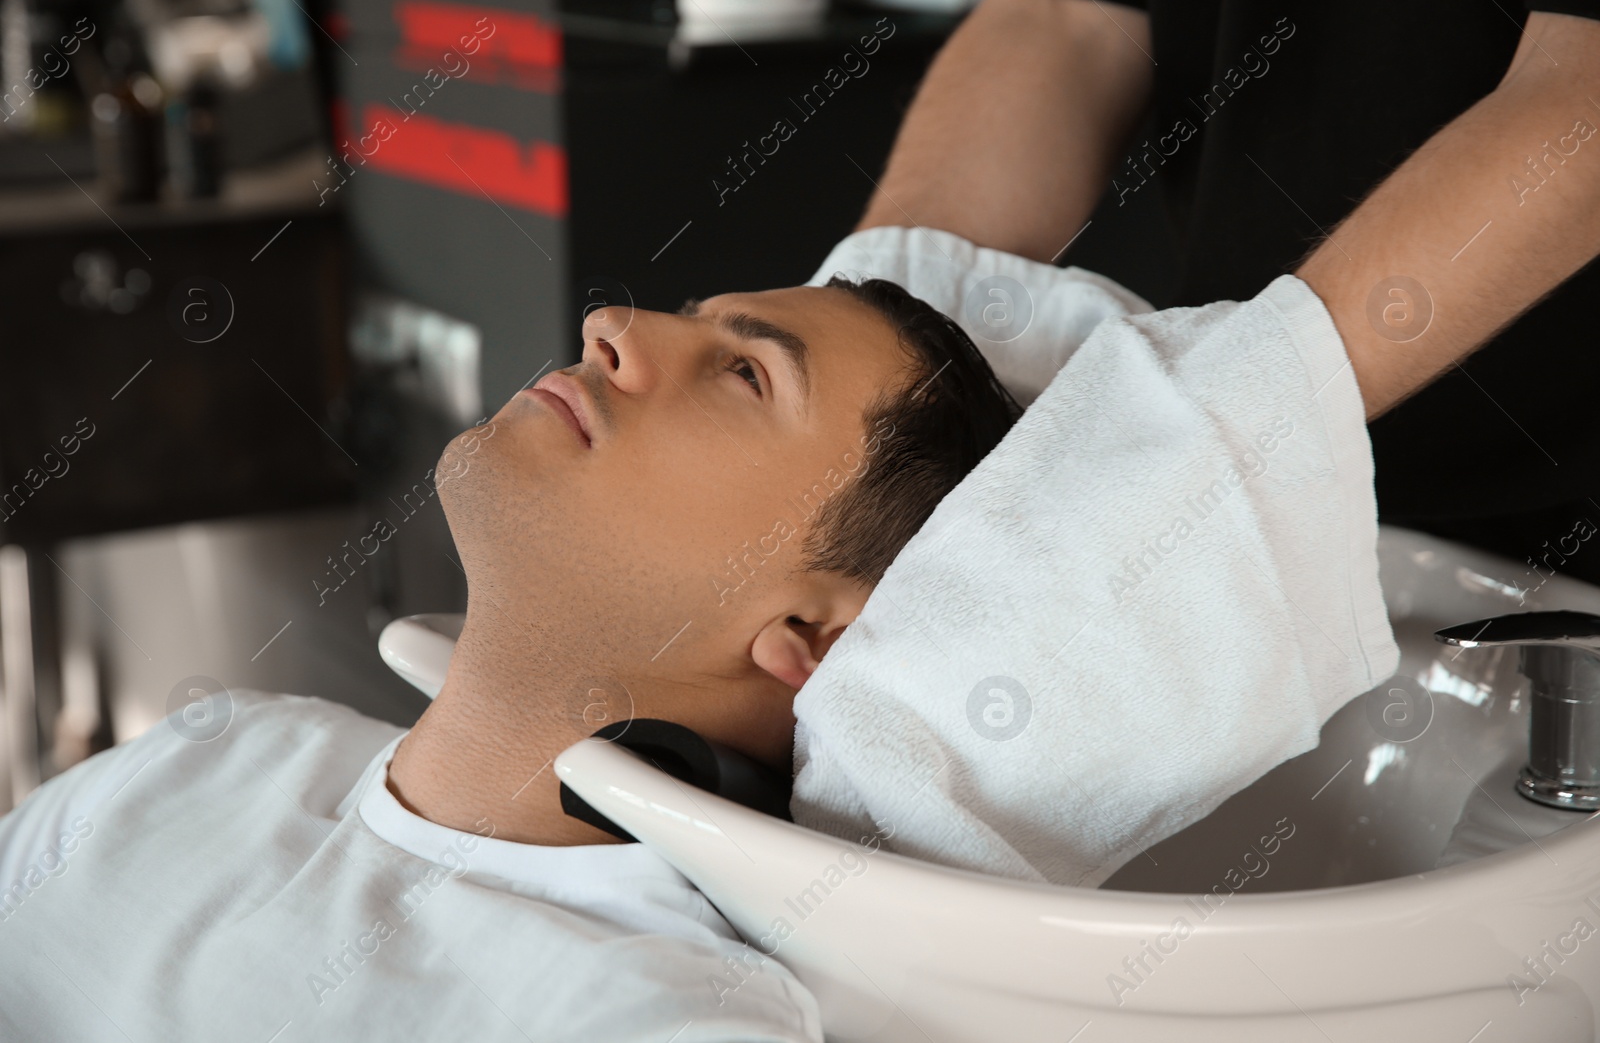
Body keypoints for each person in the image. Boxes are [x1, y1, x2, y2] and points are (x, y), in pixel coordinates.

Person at [0, 277, 1022, 1042]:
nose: (614, 324)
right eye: (695, 316)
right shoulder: (214, 751)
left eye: (747, 372)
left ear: (816, 637)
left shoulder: (655, 1016)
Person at [856, 0, 1600, 587]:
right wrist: (866, 328)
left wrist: (1211, 420)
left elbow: (1585, 96)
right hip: (1271, 512)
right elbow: (1068, 12)